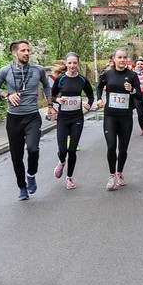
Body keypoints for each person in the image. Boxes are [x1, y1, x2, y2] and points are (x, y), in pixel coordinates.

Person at [0, 40, 54, 201]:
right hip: (14, 119)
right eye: (23, 50)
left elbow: (47, 86)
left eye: (28, 50)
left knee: (33, 149)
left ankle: (31, 174)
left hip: (32, 116)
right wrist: (7, 95)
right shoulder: (5, 71)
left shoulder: (38, 69)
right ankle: (22, 187)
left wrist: (50, 104)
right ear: (14, 53)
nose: (26, 53)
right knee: (16, 156)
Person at [96, 48, 143, 190]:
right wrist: (99, 99)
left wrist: (132, 90)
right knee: (111, 146)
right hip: (110, 115)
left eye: (124, 57)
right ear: (114, 59)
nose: (122, 60)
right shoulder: (107, 74)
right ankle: (112, 175)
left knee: (123, 148)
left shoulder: (132, 75)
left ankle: (119, 173)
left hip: (125, 117)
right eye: (119, 57)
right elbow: (99, 87)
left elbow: (140, 96)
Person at [51, 52, 94, 190]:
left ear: (78, 64)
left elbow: (91, 96)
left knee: (72, 150)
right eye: (69, 63)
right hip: (63, 118)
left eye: (75, 63)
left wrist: (89, 104)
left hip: (77, 118)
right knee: (62, 149)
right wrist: (57, 100)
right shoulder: (60, 79)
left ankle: (69, 178)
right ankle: (62, 161)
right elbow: (51, 96)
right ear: (66, 64)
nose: (72, 65)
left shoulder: (82, 80)